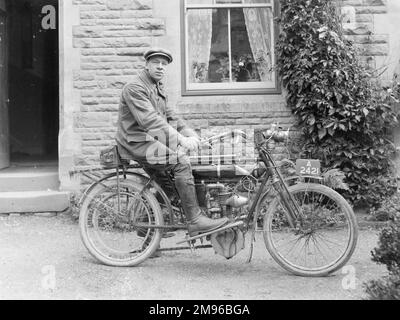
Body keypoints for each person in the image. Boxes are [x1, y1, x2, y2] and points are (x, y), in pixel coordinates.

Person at [115, 47, 229, 237]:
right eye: (156, 63)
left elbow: (171, 117)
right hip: (136, 140)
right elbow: (150, 120)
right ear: (146, 65)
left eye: (164, 64)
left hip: (150, 139)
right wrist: (182, 141)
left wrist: (192, 136)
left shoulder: (157, 87)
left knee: (167, 183)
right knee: (180, 162)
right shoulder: (135, 88)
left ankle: (146, 226)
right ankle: (195, 220)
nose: (160, 67)